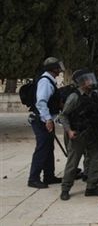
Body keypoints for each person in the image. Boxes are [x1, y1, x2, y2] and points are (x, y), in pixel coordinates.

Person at [59, 69, 98, 200]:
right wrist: (69, 131)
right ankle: (65, 188)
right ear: (81, 82)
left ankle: (91, 187)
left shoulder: (94, 95)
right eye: (87, 80)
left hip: (93, 134)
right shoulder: (74, 97)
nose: (90, 82)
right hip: (78, 134)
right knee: (73, 163)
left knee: (96, 160)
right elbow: (63, 116)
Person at [28, 57, 64, 188]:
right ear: (53, 68)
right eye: (58, 67)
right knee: (42, 148)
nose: (60, 69)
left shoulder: (50, 80)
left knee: (49, 148)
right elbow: (41, 102)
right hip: (41, 120)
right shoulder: (45, 81)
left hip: (45, 119)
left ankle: (49, 176)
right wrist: (48, 119)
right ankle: (33, 178)